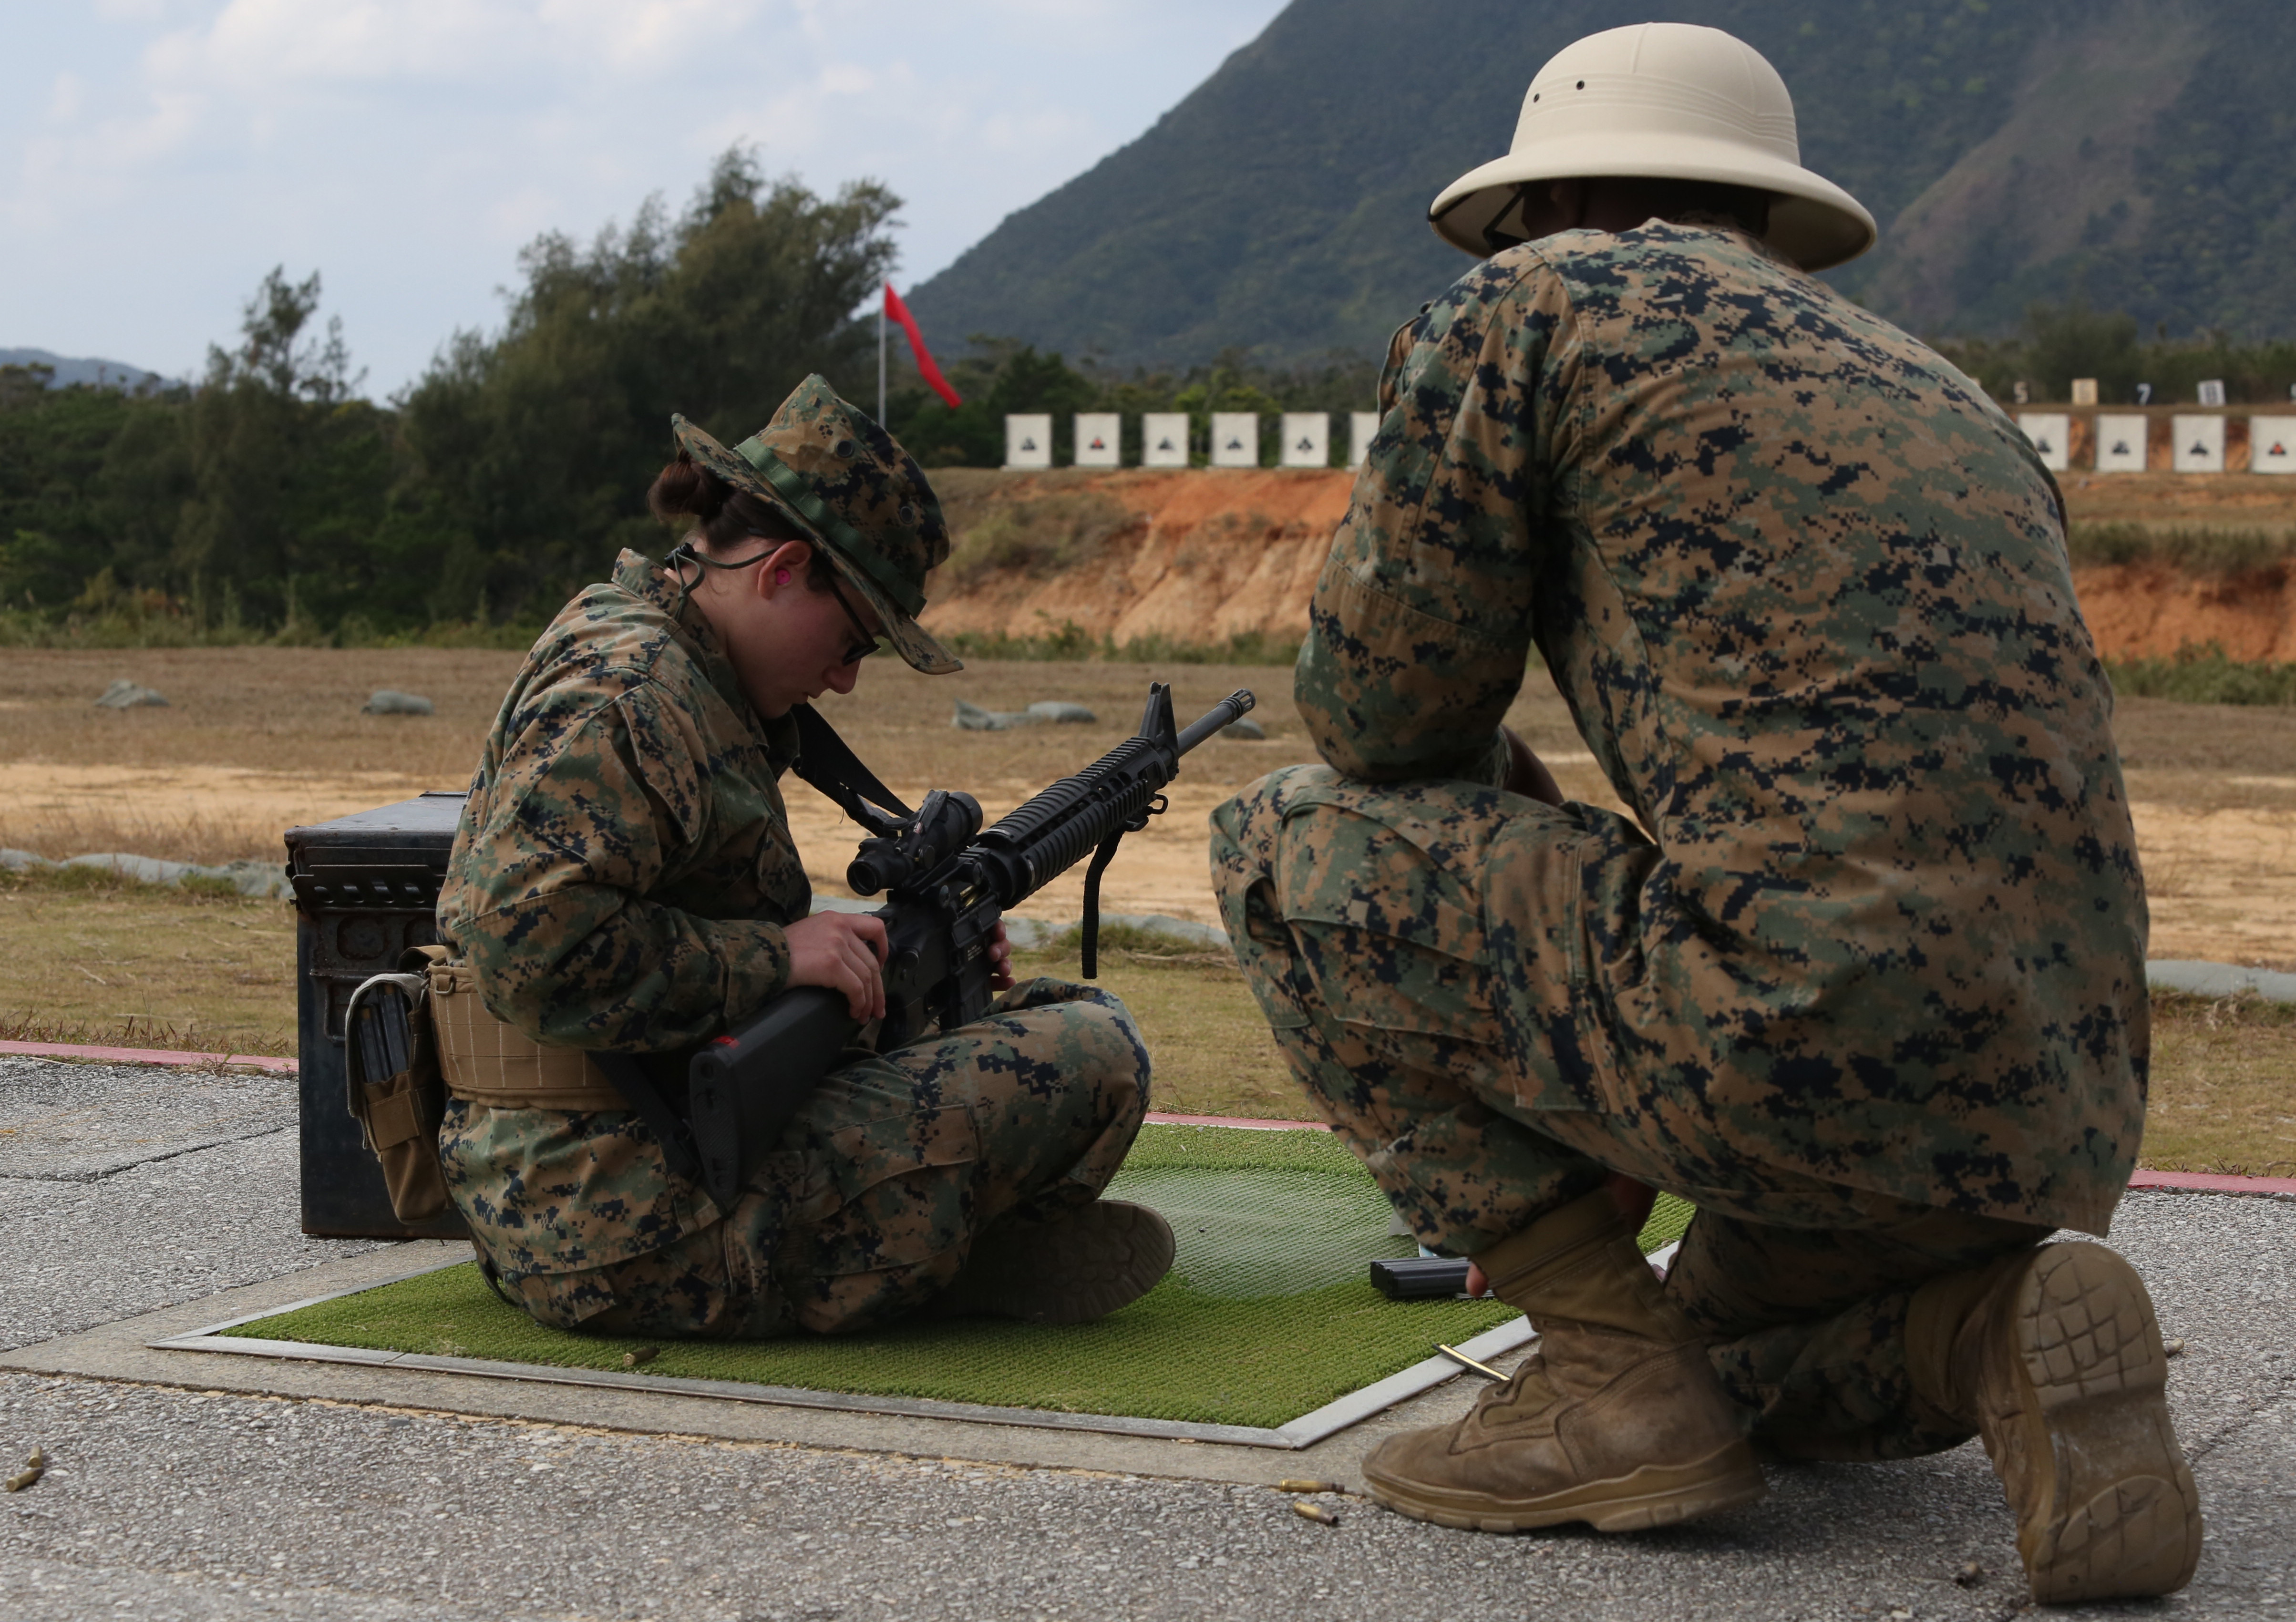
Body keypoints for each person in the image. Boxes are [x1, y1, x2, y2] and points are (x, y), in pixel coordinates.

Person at [1210, 22, 2199, 1602]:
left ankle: (1597, 1367)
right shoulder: (1955, 395)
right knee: (1730, 1364)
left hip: (1794, 1032)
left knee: (1285, 843)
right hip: (2056, 1110)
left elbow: (1379, 718)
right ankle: (1982, 1332)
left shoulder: (1532, 306)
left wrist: (1537, 1083)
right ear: (1765, 214)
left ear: (1549, 200)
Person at [435, 371, 1172, 1339]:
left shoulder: (677, 671)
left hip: (614, 1166)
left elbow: (668, 909)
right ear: (783, 570)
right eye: (853, 639)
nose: (845, 678)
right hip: (616, 1208)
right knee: (1090, 1055)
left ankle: (917, 1249)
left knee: (1047, 1017)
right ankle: (922, 1257)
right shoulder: (634, 692)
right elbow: (529, 952)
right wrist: (780, 957)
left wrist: (869, 956)